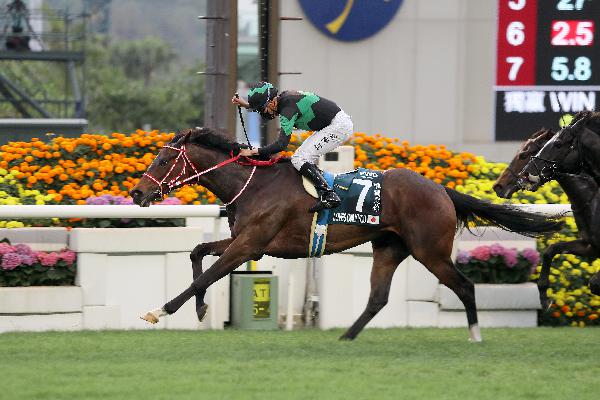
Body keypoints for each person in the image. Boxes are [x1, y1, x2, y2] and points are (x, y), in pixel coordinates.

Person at [232, 81, 353, 213]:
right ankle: (316, 192)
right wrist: (246, 105)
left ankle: (329, 194)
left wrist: (253, 152)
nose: (262, 114)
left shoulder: (287, 110)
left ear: (272, 103)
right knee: (300, 158)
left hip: (338, 127)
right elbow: (266, 105)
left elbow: (281, 145)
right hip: (332, 124)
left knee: (299, 159)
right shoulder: (282, 101)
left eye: (261, 109)